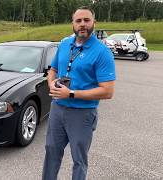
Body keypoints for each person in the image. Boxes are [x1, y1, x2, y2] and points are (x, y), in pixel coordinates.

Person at [42, 6, 116, 180]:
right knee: (51, 152)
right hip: (57, 109)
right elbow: (52, 70)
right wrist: (51, 83)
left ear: (94, 23)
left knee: (79, 160)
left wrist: (72, 94)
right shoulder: (64, 44)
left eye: (86, 20)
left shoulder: (102, 52)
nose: (82, 24)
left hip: (82, 113)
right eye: (78, 21)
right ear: (73, 24)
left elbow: (107, 91)